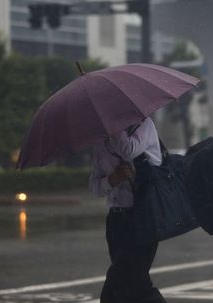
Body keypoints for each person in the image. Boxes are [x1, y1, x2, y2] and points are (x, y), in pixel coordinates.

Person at [89, 117, 166, 303]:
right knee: (127, 282)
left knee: (128, 279)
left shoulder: (144, 126)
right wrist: (111, 180)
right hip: (116, 219)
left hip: (143, 217)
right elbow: (94, 186)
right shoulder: (101, 142)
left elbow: (129, 150)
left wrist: (114, 126)